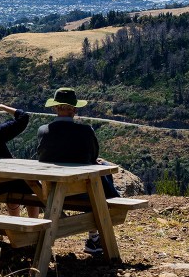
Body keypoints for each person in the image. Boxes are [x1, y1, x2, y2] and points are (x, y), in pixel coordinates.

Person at [37, 87, 119, 255]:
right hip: (82, 191)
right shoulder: (85, 131)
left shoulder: (43, 131)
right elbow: (94, 156)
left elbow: (41, 156)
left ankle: (94, 239)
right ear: (74, 109)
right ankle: (94, 238)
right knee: (100, 173)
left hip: (51, 189)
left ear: (55, 108)